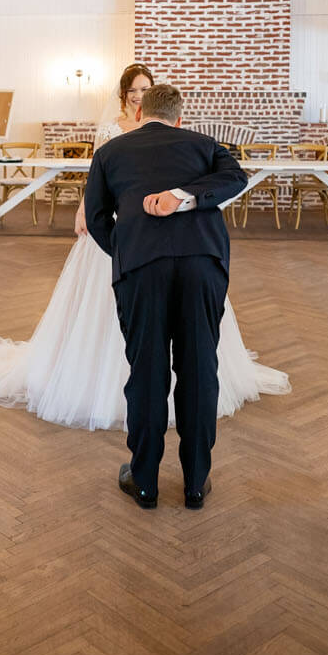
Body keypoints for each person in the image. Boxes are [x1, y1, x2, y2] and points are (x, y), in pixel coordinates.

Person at [0, 64, 288, 436]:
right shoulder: (112, 132)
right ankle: (107, 391)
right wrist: (92, 218)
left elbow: (216, 177)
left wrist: (181, 198)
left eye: (145, 89)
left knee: (179, 331)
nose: (138, 95)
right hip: (126, 232)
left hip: (172, 232)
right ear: (125, 96)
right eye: (134, 90)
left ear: (152, 98)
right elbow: (97, 181)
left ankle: (159, 424)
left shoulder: (185, 139)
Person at [84, 83, 247, 510]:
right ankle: (195, 482)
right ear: (180, 118)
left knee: (147, 369)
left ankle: (144, 483)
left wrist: (129, 248)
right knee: (198, 367)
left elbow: (97, 218)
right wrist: (187, 196)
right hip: (202, 264)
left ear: (140, 114)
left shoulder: (110, 153)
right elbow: (237, 177)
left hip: (141, 268)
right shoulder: (205, 145)